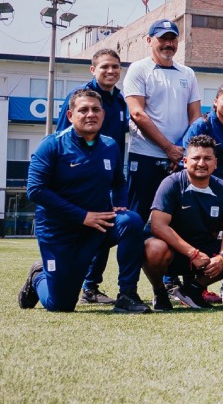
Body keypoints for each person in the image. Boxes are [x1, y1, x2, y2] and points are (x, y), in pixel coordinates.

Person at [21, 90, 149, 314]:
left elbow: (119, 182)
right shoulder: (52, 145)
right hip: (59, 233)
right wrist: (82, 216)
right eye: (83, 110)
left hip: (96, 227)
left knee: (131, 221)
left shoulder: (110, 146)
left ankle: (127, 295)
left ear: (103, 114)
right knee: (60, 305)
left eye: (95, 109)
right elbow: (36, 190)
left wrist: (119, 203)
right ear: (70, 115)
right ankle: (38, 276)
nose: (90, 114)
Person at [142, 135, 223, 309]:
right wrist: (192, 253)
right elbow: (158, 225)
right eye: (196, 158)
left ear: (215, 163)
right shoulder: (171, 183)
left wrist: (222, 257)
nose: (202, 163)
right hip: (174, 251)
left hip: (205, 252)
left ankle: (193, 289)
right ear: (185, 161)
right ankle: (160, 291)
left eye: (207, 158)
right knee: (153, 249)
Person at [53, 48, 128, 305]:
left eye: (115, 67)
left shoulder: (119, 101)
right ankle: (53, 273)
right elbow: (61, 140)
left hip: (106, 178)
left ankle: (91, 287)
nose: (111, 71)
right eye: (105, 67)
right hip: (78, 181)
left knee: (105, 226)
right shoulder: (80, 98)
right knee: (80, 234)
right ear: (92, 70)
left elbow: (117, 145)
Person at [124, 19, 202, 223]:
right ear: (149, 40)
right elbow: (137, 113)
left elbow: (195, 116)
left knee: (178, 218)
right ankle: (134, 256)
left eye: (173, 39)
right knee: (138, 217)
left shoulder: (188, 73)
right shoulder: (138, 69)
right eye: (163, 39)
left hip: (179, 158)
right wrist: (168, 148)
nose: (168, 44)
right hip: (145, 155)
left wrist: (181, 150)